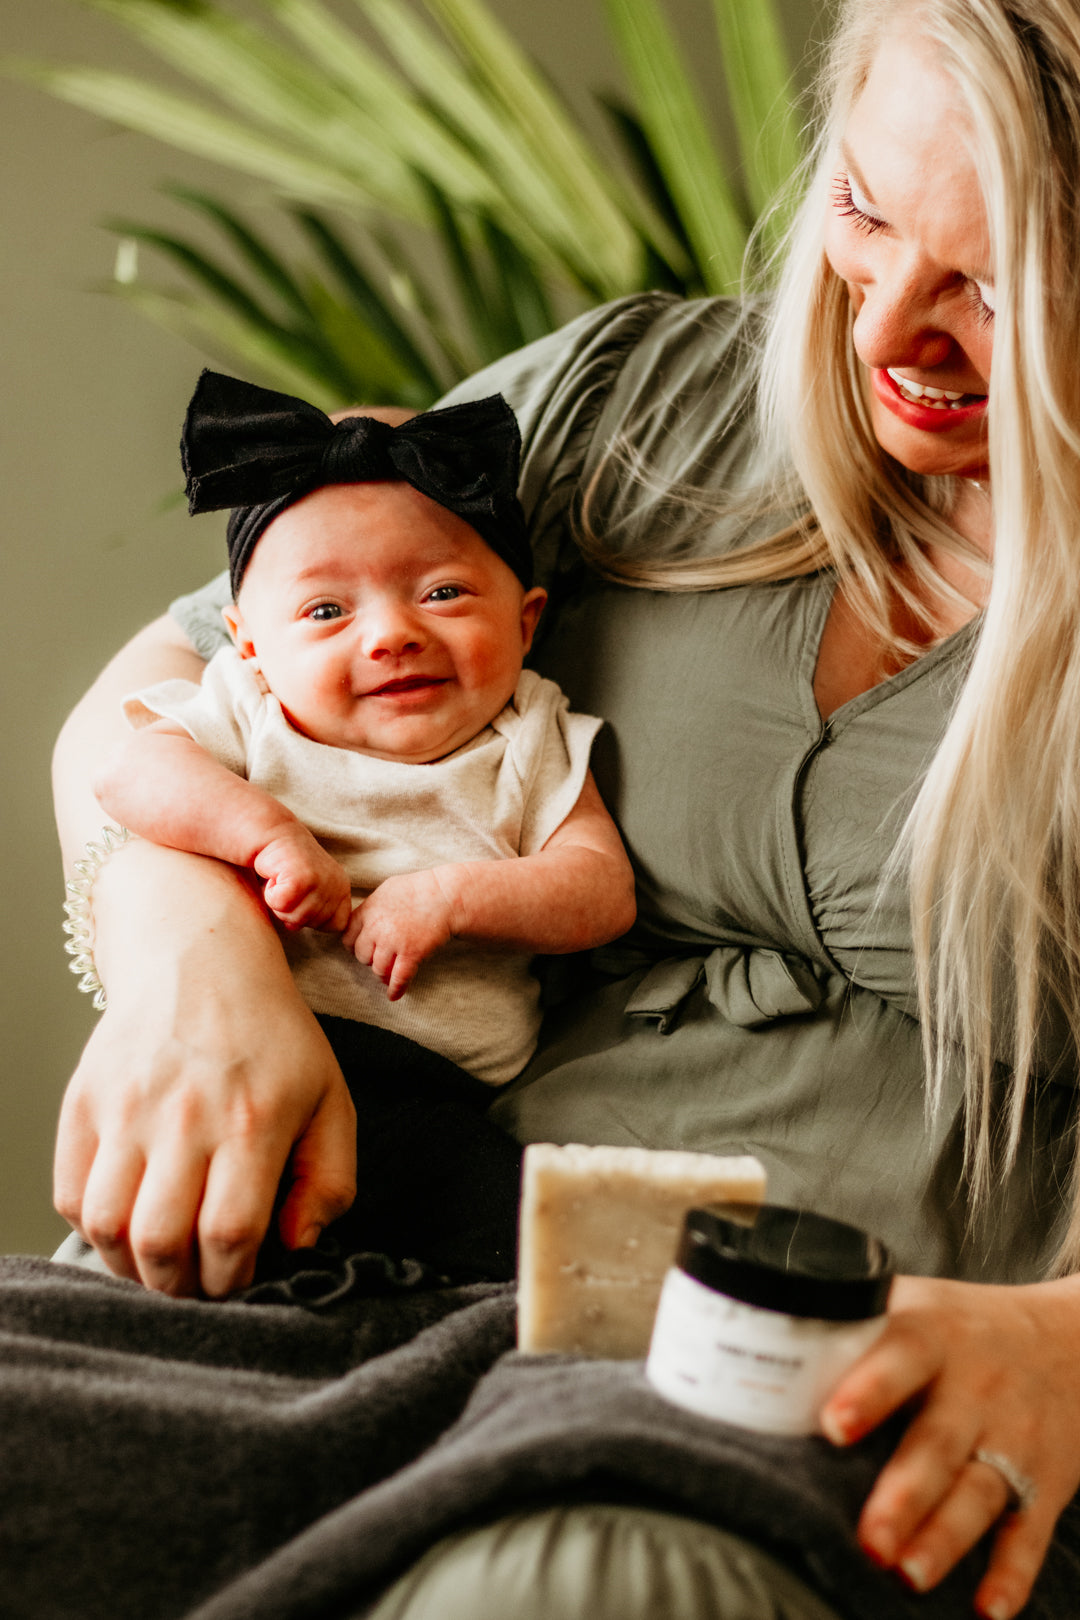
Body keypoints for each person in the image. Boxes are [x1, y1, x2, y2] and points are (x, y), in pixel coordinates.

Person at [37, 0, 1080, 1616]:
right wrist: (196, 963)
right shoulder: (648, 401)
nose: (887, 334)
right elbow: (171, 689)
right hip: (384, 1270)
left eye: (998, 283)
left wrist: (1064, 1349)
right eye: (866, 216)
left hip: (825, 1369)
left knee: (566, 1584)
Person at [90, 375, 634, 1276]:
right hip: (261, 1044)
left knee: (509, 1249)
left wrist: (452, 898)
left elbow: (600, 886)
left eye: (445, 593)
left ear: (526, 620)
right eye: (327, 611)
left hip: (443, 1093)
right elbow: (130, 770)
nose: (390, 634)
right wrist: (264, 834)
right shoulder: (250, 710)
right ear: (249, 644)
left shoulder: (529, 733)